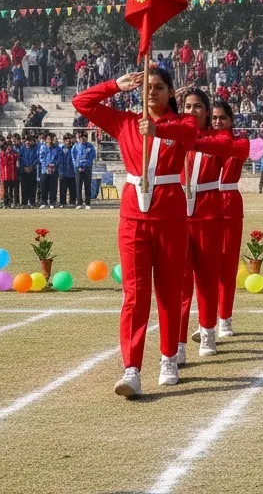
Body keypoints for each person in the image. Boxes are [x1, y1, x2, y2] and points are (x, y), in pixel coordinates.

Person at [72, 67, 198, 399]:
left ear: (171, 93)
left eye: (159, 87)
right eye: (147, 87)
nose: (152, 92)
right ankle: (132, 369)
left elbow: (189, 136)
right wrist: (115, 85)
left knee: (169, 292)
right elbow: (81, 102)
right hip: (132, 217)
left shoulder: (182, 123)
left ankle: (169, 357)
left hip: (170, 215)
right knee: (135, 294)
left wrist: (155, 129)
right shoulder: (126, 122)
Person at [178, 89, 251, 361]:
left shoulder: (217, 137)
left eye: (198, 107)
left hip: (210, 210)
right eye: (187, 106)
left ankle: (211, 329)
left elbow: (235, 145)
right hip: (178, 211)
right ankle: (178, 343)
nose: (192, 111)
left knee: (211, 275)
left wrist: (196, 140)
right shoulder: (176, 133)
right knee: (181, 282)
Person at [213, 100, 250, 337]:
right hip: (200, 203)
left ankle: (225, 317)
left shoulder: (240, 143)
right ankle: (205, 318)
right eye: (214, 118)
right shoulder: (199, 141)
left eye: (222, 118)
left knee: (227, 265)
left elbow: (223, 149)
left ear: (231, 120)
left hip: (228, 203)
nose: (217, 122)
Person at [72, 130, 96, 209]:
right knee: (78, 185)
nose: (83, 139)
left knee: (87, 185)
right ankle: (79, 203)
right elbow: (73, 157)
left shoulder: (90, 146)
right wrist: (78, 166)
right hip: (78, 168)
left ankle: (87, 203)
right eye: (81, 137)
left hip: (87, 168)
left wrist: (86, 164)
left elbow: (92, 156)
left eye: (85, 137)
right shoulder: (75, 146)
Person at [57, 134, 77, 207]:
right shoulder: (61, 149)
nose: (68, 141)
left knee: (73, 189)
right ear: (64, 141)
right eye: (66, 140)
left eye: (69, 139)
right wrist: (60, 172)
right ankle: (62, 202)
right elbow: (60, 161)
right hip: (63, 173)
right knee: (63, 189)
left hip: (72, 173)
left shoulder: (75, 148)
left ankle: (72, 202)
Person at [0, 140, 19, 209]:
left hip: (12, 175)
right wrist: (7, 154)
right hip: (5, 175)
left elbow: (15, 158)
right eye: (8, 147)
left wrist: (10, 155)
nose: (9, 148)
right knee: (5, 190)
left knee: (11, 190)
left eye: (10, 146)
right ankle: (5, 203)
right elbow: (4, 162)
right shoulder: (2, 153)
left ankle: (11, 202)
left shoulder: (13, 153)